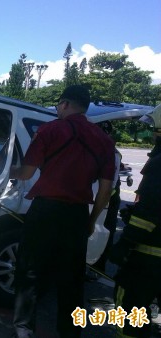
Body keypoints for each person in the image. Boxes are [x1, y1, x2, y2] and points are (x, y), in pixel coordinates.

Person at [10, 85, 116, 338]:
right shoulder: (104, 140)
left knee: (30, 273)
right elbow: (106, 189)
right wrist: (90, 220)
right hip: (76, 215)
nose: (57, 109)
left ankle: (24, 331)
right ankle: (69, 334)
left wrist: (3, 172)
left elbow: (26, 173)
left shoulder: (50, 130)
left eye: (58, 104)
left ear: (66, 104)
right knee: (72, 280)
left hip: (45, 210)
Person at [109, 104, 161, 338]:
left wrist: (125, 243)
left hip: (149, 257)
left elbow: (150, 212)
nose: (151, 134)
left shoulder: (159, 164)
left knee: (129, 308)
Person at [91, 121, 122, 274]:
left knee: (105, 231)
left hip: (109, 199)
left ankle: (98, 268)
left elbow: (110, 185)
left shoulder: (112, 153)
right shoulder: (101, 149)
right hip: (101, 196)